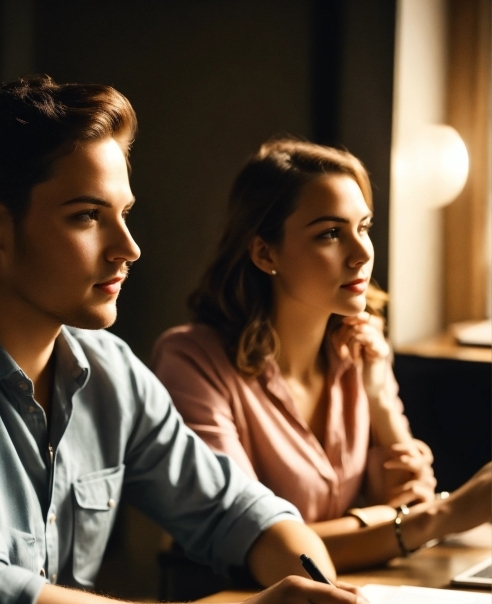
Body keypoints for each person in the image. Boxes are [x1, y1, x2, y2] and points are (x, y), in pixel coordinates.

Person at [0, 79, 372, 604]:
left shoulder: (108, 370)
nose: (129, 247)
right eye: (88, 217)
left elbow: (240, 509)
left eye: (125, 214)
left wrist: (312, 593)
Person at [153, 137, 491, 571]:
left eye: (363, 227)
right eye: (331, 234)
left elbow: (411, 499)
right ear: (264, 252)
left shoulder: (357, 351)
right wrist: (445, 517)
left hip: (350, 597)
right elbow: (258, 544)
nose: (362, 253)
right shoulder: (192, 363)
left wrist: (380, 400)